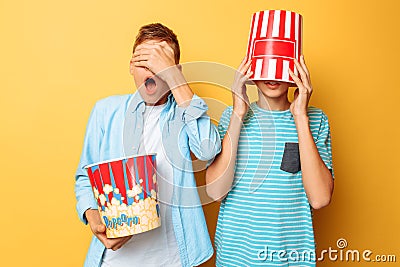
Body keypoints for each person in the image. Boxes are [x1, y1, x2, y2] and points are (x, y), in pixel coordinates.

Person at [75, 23, 221, 267]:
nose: (152, 71)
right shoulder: (105, 111)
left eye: (160, 64)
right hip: (116, 259)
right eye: (144, 62)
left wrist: (176, 78)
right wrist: (92, 216)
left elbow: (208, 149)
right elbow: (84, 176)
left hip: (174, 257)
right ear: (131, 67)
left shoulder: (185, 112)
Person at [206, 56, 334, 266]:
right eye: (265, 62)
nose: (272, 74)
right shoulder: (232, 115)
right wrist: (238, 112)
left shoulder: (316, 119)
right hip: (235, 257)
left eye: (280, 63)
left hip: (289, 258)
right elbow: (215, 192)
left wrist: (300, 116)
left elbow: (319, 199)